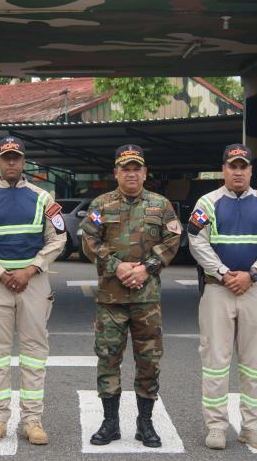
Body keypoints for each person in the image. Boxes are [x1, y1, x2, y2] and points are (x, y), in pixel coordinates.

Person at [0, 136, 67, 446]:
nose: (11, 163)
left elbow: (57, 238)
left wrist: (31, 269)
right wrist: (0, 273)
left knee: (35, 353)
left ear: (24, 162)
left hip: (33, 283)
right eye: (6, 158)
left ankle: (32, 420)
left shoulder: (43, 198)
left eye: (16, 158)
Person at [79, 144, 181, 448]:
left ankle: (145, 424)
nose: (131, 173)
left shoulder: (161, 205)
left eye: (137, 168)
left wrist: (146, 269)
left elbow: (173, 238)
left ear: (145, 172)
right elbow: (88, 240)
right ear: (116, 172)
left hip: (147, 300)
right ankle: (110, 424)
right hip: (111, 300)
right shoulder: (101, 204)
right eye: (125, 168)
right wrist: (117, 266)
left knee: (149, 362)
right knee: (108, 360)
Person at [187, 144, 257, 451]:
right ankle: (216, 427)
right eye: (233, 166)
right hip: (219, 291)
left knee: (254, 363)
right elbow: (196, 241)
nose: (238, 171)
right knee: (215, 362)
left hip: (254, 290)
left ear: (251, 171)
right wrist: (223, 273)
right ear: (224, 170)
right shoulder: (207, 203)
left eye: (243, 166)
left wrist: (252, 274)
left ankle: (251, 427)